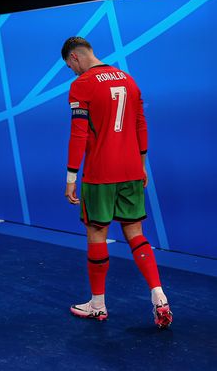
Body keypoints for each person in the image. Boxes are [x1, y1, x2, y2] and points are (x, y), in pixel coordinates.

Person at [61, 36, 172, 328]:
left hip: (100, 174)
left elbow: (79, 135)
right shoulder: (128, 79)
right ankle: (160, 297)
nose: (72, 72)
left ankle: (97, 305)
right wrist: (143, 164)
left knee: (97, 233)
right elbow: (140, 124)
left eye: (70, 66)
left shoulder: (82, 84)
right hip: (132, 169)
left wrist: (71, 177)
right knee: (135, 232)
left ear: (74, 58)